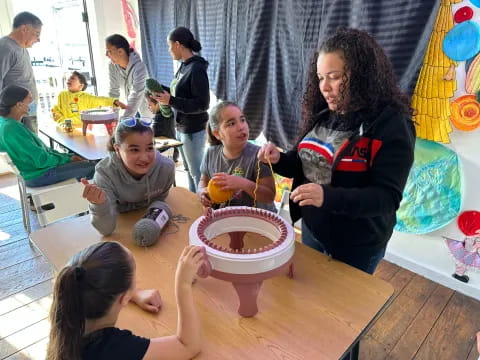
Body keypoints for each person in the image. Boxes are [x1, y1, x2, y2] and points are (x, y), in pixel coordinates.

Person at [258, 28, 416, 275]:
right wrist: (278, 159)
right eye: (320, 78)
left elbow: (386, 198)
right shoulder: (323, 115)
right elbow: (303, 164)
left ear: (362, 75)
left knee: (344, 310)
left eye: (333, 76)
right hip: (312, 228)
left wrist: (328, 197)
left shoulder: (391, 125)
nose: (325, 87)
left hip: (356, 244)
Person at [46, 241, 204, 360]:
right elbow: (188, 346)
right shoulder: (114, 348)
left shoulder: (68, 308)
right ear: (123, 298)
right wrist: (182, 285)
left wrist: (133, 294)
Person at [82, 117, 175, 236]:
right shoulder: (105, 174)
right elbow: (105, 230)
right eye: (134, 150)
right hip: (121, 230)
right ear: (117, 150)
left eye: (149, 148)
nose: (144, 158)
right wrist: (98, 205)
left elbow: (159, 200)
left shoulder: (166, 169)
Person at [0, 85, 95, 187]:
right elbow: (41, 160)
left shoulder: (5, 123)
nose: (33, 104)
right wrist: (66, 159)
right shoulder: (13, 128)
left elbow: (41, 153)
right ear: (19, 105)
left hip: (30, 172)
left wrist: (68, 157)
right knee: (96, 168)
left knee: (80, 161)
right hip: (39, 175)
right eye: (29, 101)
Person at [152, 27, 209, 193]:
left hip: (193, 129)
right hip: (182, 127)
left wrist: (171, 100)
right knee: (189, 172)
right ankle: (194, 204)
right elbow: (180, 94)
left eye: (170, 47)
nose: (169, 51)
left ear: (177, 45)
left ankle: (202, 210)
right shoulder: (184, 66)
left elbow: (202, 104)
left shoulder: (196, 68)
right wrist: (161, 91)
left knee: (197, 173)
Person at [198, 101, 275, 211]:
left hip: (255, 219)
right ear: (217, 134)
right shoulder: (211, 153)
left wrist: (242, 183)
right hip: (224, 216)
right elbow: (203, 180)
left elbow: (269, 197)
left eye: (242, 120)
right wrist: (201, 192)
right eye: (231, 124)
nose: (241, 127)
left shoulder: (260, 156)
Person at [0, 11, 42, 133]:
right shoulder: (5, 47)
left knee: (33, 145)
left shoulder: (22, 48)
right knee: (26, 148)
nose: (38, 39)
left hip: (28, 111)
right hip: (16, 113)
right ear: (24, 29)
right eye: (37, 33)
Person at [52, 71, 127, 127]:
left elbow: (100, 100)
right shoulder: (62, 94)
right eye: (68, 78)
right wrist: (61, 119)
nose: (69, 80)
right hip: (65, 127)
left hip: (81, 128)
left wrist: (115, 101)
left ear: (81, 86)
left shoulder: (86, 97)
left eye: (72, 78)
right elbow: (56, 109)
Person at [106, 34, 149, 117]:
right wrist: (113, 117)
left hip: (145, 111)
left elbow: (136, 95)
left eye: (109, 51)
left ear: (120, 51)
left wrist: (124, 119)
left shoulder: (140, 67)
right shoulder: (112, 66)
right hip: (130, 109)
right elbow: (113, 92)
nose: (106, 54)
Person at [146, 93, 179, 162]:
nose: (148, 107)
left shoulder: (160, 118)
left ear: (158, 104)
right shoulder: (165, 115)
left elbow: (151, 135)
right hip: (172, 151)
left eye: (149, 104)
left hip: (167, 153)